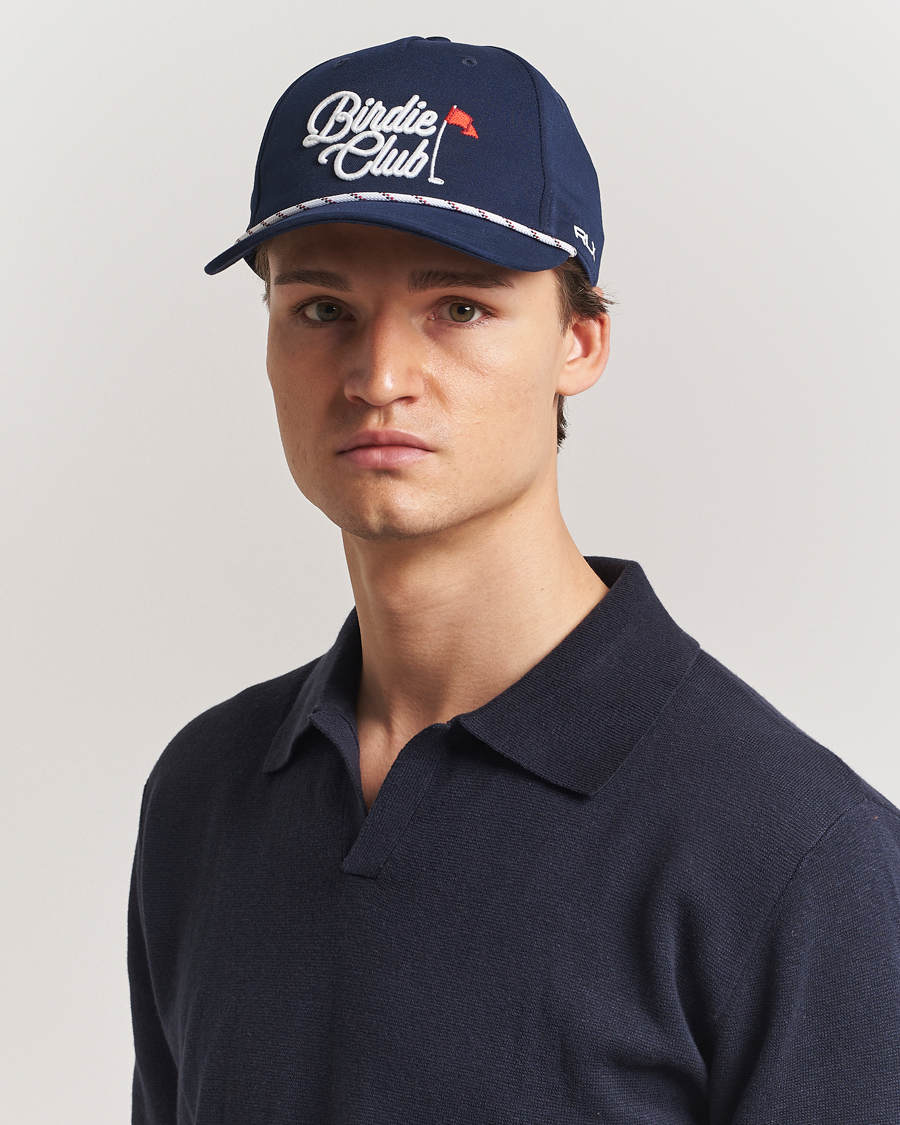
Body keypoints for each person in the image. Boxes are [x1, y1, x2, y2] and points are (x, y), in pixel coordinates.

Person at [128, 36, 900, 1124]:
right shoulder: (203, 794)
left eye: (459, 307)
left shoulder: (801, 856)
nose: (379, 376)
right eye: (322, 309)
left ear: (580, 341)